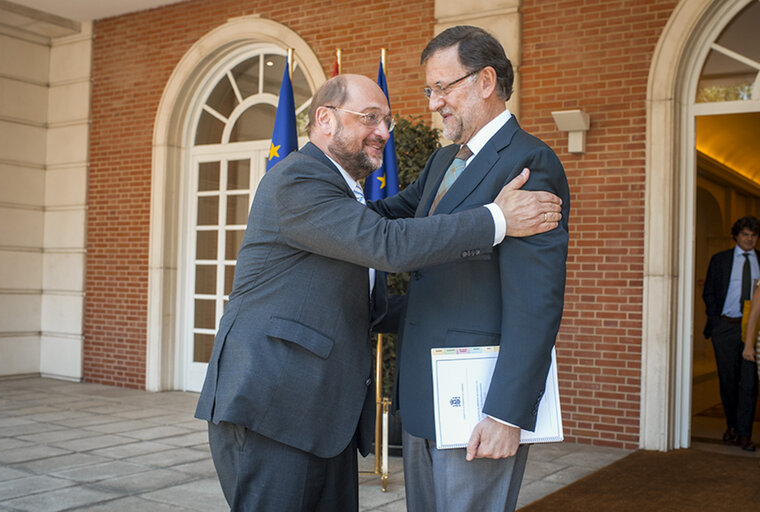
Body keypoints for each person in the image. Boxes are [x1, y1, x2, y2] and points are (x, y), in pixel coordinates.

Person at [194, 73, 563, 511]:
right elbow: (389, 244)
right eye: (370, 118)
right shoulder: (299, 181)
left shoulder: (348, 196)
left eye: (386, 120)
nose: (384, 133)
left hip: (323, 418)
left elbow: (379, 269)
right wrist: (498, 219)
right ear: (325, 120)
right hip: (273, 410)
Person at [368, 26, 570, 512]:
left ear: (485, 81)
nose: (434, 102)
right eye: (429, 90)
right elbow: (383, 219)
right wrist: (318, 187)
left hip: (478, 405)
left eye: (443, 88)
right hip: (421, 397)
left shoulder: (530, 162)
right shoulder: (442, 161)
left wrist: (506, 413)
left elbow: (535, 302)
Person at [703, 215, 760, 452]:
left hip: (753, 330)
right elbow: (709, 293)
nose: (750, 239)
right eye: (745, 234)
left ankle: (745, 434)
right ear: (736, 236)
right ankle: (732, 426)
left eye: (754, 235)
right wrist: (716, 323)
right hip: (725, 327)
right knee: (727, 381)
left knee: (749, 383)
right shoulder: (720, 260)